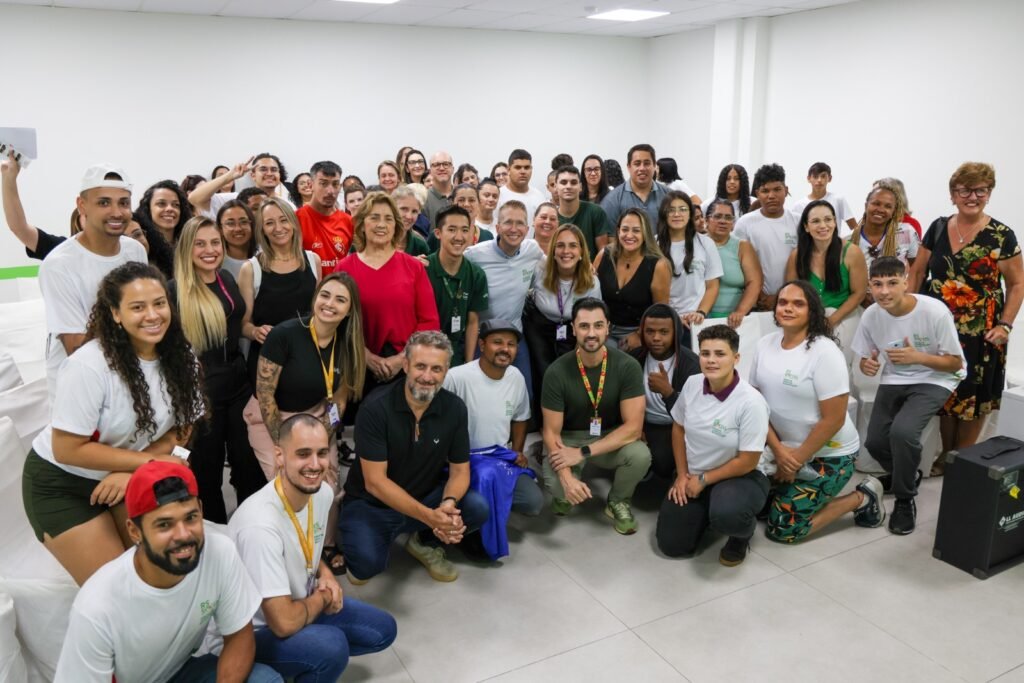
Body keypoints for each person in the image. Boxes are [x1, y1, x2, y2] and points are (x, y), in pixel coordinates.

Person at [22, 262, 206, 585]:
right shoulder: (89, 366)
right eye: (138, 307)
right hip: (61, 483)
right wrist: (148, 462)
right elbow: (66, 448)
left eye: (159, 303)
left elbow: (184, 428)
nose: (152, 315)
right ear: (116, 314)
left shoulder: (181, 354)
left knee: (157, 571)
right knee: (116, 585)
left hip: (121, 474)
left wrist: (129, 471)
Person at [54, 461, 282, 683]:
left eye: (191, 518)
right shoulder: (97, 607)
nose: (183, 535)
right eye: (164, 524)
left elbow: (239, 637)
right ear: (134, 531)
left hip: (182, 670)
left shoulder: (219, 552)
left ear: (201, 511)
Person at [230, 415, 396, 681]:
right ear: (279, 456)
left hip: (298, 604)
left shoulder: (321, 493)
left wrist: (326, 574)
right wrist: (323, 598)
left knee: (383, 630)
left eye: (321, 453)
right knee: (331, 647)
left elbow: (306, 542)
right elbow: (283, 624)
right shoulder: (259, 526)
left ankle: (298, 661)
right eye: (303, 454)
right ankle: (287, 665)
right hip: (253, 631)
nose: (315, 464)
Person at [339, 332, 490, 583]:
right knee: (365, 567)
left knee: (477, 508)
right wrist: (430, 518)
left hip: (424, 498)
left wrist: (447, 506)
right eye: (420, 366)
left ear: (446, 371)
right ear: (406, 365)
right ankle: (370, 531)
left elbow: (460, 471)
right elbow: (375, 482)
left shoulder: (454, 408)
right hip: (372, 504)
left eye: (436, 369)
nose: (427, 377)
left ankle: (421, 540)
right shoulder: (375, 408)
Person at [751, 281, 885, 543]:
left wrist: (796, 460)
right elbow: (756, 403)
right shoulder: (764, 344)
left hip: (829, 454)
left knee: (783, 528)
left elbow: (834, 419)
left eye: (798, 304)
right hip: (783, 448)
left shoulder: (824, 352)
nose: (788, 308)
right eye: (783, 302)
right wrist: (779, 451)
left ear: (812, 311)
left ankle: (863, 496)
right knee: (758, 508)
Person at [910, 162, 1024, 469]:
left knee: (973, 399)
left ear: (989, 194)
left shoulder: (1001, 235)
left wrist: (1005, 325)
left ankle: (961, 460)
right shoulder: (937, 227)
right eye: (964, 190)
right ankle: (946, 455)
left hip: (983, 331)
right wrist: (910, 313)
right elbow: (918, 271)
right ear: (952, 194)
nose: (971, 196)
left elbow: (1016, 284)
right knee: (947, 394)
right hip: (939, 328)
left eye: (980, 190)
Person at [854, 257, 967, 534]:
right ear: (869, 286)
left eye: (892, 283)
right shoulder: (871, 315)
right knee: (875, 441)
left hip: (936, 378)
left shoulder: (934, 311)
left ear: (906, 282)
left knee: (903, 433)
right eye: (877, 284)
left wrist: (919, 357)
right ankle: (908, 474)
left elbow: (955, 363)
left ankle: (905, 500)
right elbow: (865, 357)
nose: (884, 291)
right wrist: (866, 365)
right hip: (895, 378)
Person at [171, 217, 264, 524]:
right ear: (187, 249)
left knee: (248, 464)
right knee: (207, 472)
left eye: (215, 243)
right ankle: (217, 535)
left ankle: (253, 528)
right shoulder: (175, 291)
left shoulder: (224, 276)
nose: (209, 250)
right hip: (203, 393)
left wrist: (254, 332)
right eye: (200, 244)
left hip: (238, 384)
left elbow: (235, 326)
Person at [33, 163, 148, 407]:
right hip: (80, 391)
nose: (117, 212)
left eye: (124, 203)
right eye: (104, 202)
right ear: (82, 205)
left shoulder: (135, 251)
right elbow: (76, 348)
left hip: (130, 382)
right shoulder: (59, 264)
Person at [655, 324, 769, 566]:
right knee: (672, 546)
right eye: (705, 353)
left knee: (729, 514)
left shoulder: (751, 402)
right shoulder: (693, 384)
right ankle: (707, 511)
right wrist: (682, 475)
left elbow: (747, 461)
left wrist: (704, 480)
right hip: (695, 474)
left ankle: (741, 533)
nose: (711, 360)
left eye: (720, 354)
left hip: (740, 477)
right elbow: (679, 427)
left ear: (736, 358)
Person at [541, 298, 652, 534]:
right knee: (559, 488)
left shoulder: (627, 366)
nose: (591, 333)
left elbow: (633, 428)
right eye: (584, 326)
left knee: (640, 455)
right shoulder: (556, 371)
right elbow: (551, 432)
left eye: (598, 325)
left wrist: (581, 453)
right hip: (568, 437)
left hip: (609, 435)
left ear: (608, 327)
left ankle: (618, 500)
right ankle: (573, 478)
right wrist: (566, 477)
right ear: (573, 329)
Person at [443, 320, 544, 558]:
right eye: (497, 342)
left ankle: (488, 512)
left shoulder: (516, 377)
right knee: (480, 502)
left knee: (533, 502)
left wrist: (517, 452)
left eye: (511, 344)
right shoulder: (457, 377)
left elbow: (521, 417)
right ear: (481, 344)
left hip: (497, 458)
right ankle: (470, 526)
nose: (504, 349)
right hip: (461, 461)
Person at [338, 192, 440, 391]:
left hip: (406, 368)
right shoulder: (344, 269)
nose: (381, 224)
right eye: (374, 217)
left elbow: (429, 322)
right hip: (358, 369)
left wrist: (400, 359)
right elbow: (336, 322)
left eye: (388, 218)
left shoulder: (413, 267)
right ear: (361, 224)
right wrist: (366, 356)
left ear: (396, 226)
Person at [524, 224, 602, 426]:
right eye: (560, 245)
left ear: (581, 251)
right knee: (544, 372)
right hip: (540, 327)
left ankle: (569, 423)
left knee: (570, 374)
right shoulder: (540, 269)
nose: (566, 251)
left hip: (574, 330)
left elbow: (593, 319)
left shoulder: (592, 282)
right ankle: (544, 425)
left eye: (572, 246)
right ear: (553, 250)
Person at [464, 200, 545, 395]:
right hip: (481, 338)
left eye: (520, 224)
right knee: (482, 395)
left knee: (524, 394)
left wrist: (585, 267)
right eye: (508, 223)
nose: (514, 229)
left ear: (527, 229)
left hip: (514, 336)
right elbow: (446, 262)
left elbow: (555, 267)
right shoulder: (475, 255)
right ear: (498, 227)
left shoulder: (532, 250)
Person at [239, 197, 321, 383]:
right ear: (262, 230)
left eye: (283, 220)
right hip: (267, 362)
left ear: (293, 222)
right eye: (269, 223)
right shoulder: (251, 269)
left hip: (307, 357)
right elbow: (243, 324)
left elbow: (318, 313)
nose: (278, 228)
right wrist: (255, 331)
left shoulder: (313, 261)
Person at [630, 304, 701, 479]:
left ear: (675, 333)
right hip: (642, 422)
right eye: (650, 331)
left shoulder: (691, 363)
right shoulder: (634, 358)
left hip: (674, 426)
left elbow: (694, 415)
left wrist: (668, 392)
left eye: (663, 332)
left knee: (662, 462)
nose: (655, 338)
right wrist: (633, 426)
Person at [592, 208, 672, 350]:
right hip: (603, 328)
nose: (629, 235)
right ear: (618, 231)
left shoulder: (659, 265)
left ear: (645, 233)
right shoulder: (604, 254)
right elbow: (590, 296)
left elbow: (660, 312)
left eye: (636, 230)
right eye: (625, 229)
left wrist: (639, 334)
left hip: (637, 331)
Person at [785, 200, 868, 333]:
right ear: (806, 227)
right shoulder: (796, 255)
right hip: (807, 316)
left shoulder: (852, 252)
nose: (823, 225)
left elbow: (859, 293)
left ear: (835, 222)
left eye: (828, 219)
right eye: (816, 221)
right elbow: (790, 293)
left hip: (844, 315)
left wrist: (830, 321)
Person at [656, 191, 722, 345]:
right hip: (665, 321)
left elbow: (712, 286)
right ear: (664, 214)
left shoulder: (705, 243)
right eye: (671, 210)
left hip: (696, 322)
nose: (677, 214)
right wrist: (671, 316)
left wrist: (700, 312)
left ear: (690, 213)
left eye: (683, 209)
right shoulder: (654, 245)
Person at [426, 205, 488, 366]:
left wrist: (468, 364)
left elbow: (472, 322)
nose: (459, 237)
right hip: (425, 349)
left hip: (457, 350)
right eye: (452, 230)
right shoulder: (423, 269)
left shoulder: (476, 274)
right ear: (438, 233)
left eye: (465, 230)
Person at [734, 163, 799, 310]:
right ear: (757, 193)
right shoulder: (745, 223)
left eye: (777, 189)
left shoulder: (799, 221)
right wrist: (760, 296)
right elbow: (739, 264)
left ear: (786, 190)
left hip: (792, 301)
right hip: (757, 302)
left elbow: (806, 263)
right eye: (765, 191)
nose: (771, 196)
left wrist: (782, 297)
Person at [704, 199, 762, 327]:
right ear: (706, 220)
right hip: (699, 317)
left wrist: (740, 312)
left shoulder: (743, 246)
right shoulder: (696, 244)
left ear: (733, 223)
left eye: (728, 218)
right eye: (717, 216)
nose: (723, 221)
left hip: (735, 319)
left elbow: (754, 283)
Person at [190, 153, 294, 218]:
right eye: (263, 169)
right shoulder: (238, 200)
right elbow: (194, 198)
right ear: (253, 175)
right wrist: (230, 175)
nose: (270, 173)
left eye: (274, 170)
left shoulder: (288, 205)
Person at [296, 160, 354, 276]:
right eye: (323, 183)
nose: (330, 191)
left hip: (340, 289)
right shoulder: (295, 219)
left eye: (335, 184)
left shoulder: (348, 221)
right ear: (311, 185)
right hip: (308, 291)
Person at [850, 181, 919, 274]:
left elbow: (918, 270)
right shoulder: (849, 241)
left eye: (888, 206)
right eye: (876, 203)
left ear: (893, 212)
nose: (881, 209)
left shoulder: (906, 232)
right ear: (866, 205)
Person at [601, 143, 670, 230]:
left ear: (654, 166)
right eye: (637, 164)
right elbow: (611, 239)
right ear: (629, 167)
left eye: (647, 163)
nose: (642, 168)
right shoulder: (612, 200)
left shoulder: (669, 196)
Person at [133, 179, 191, 276]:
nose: (170, 209)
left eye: (175, 205)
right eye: (161, 204)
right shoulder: (142, 246)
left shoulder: (188, 243)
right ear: (148, 209)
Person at [554, 164, 612, 258]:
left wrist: (591, 271)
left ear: (580, 187)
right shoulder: (551, 217)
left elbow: (603, 252)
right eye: (563, 182)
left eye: (573, 182)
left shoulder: (595, 212)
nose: (568, 186)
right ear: (556, 186)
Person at [789, 162, 858, 236]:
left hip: (835, 246)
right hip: (808, 246)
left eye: (823, 176)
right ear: (809, 178)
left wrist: (847, 245)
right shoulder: (799, 205)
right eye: (815, 176)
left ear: (830, 178)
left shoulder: (838, 200)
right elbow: (792, 233)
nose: (819, 180)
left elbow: (855, 228)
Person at [498, 149, 548, 229]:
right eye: (518, 167)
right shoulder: (498, 196)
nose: (523, 171)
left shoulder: (539, 197)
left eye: (527, 167)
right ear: (508, 170)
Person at [218, 199, 258, 279]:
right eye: (230, 223)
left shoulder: (263, 257)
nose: (238, 229)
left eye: (243, 222)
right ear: (220, 229)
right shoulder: (217, 264)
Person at [392, 185, 431, 256]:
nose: (409, 216)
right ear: (392, 208)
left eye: (414, 211)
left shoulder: (420, 244)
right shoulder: (378, 238)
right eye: (404, 209)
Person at [424, 151, 455, 228]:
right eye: (436, 165)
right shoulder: (423, 198)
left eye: (446, 164)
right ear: (430, 171)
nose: (441, 168)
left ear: (452, 169)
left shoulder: (461, 196)